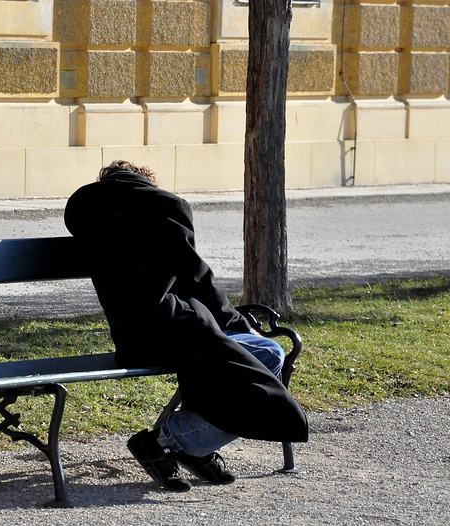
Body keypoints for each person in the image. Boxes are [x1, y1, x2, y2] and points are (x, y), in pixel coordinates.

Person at [64, 160, 309, 492]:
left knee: (222, 360)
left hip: (131, 340)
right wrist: (238, 323)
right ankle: (176, 440)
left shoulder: (87, 212)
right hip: (172, 328)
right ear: (145, 181)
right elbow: (196, 276)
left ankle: (194, 444)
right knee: (269, 353)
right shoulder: (162, 206)